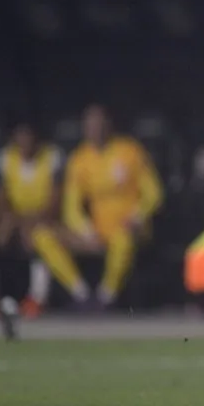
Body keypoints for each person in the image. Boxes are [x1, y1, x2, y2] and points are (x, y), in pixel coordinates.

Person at [34, 105, 164, 310]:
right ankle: (81, 294)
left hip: (129, 226)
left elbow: (154, 193)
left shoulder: (130, 151)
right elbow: (71, 207)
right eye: (89, 125)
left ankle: (106, 297)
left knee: (124, 238)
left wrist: (137, 217)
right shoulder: (79, 159)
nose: (94, 129)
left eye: (98, 124)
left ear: (109, 125)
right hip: (96, 230)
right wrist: (87, 232)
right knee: (42, 236)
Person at [0, 122, 63, 318]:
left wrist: (31, 220)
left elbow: (55, 202)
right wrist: (10, 219)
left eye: (28, 136)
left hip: (44, 217)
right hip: (16, 217)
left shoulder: (52, 156)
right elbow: (0, 197)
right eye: (20, 136)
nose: (25, 142)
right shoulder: (6, 157)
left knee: (36, 234)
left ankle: (38, 298)